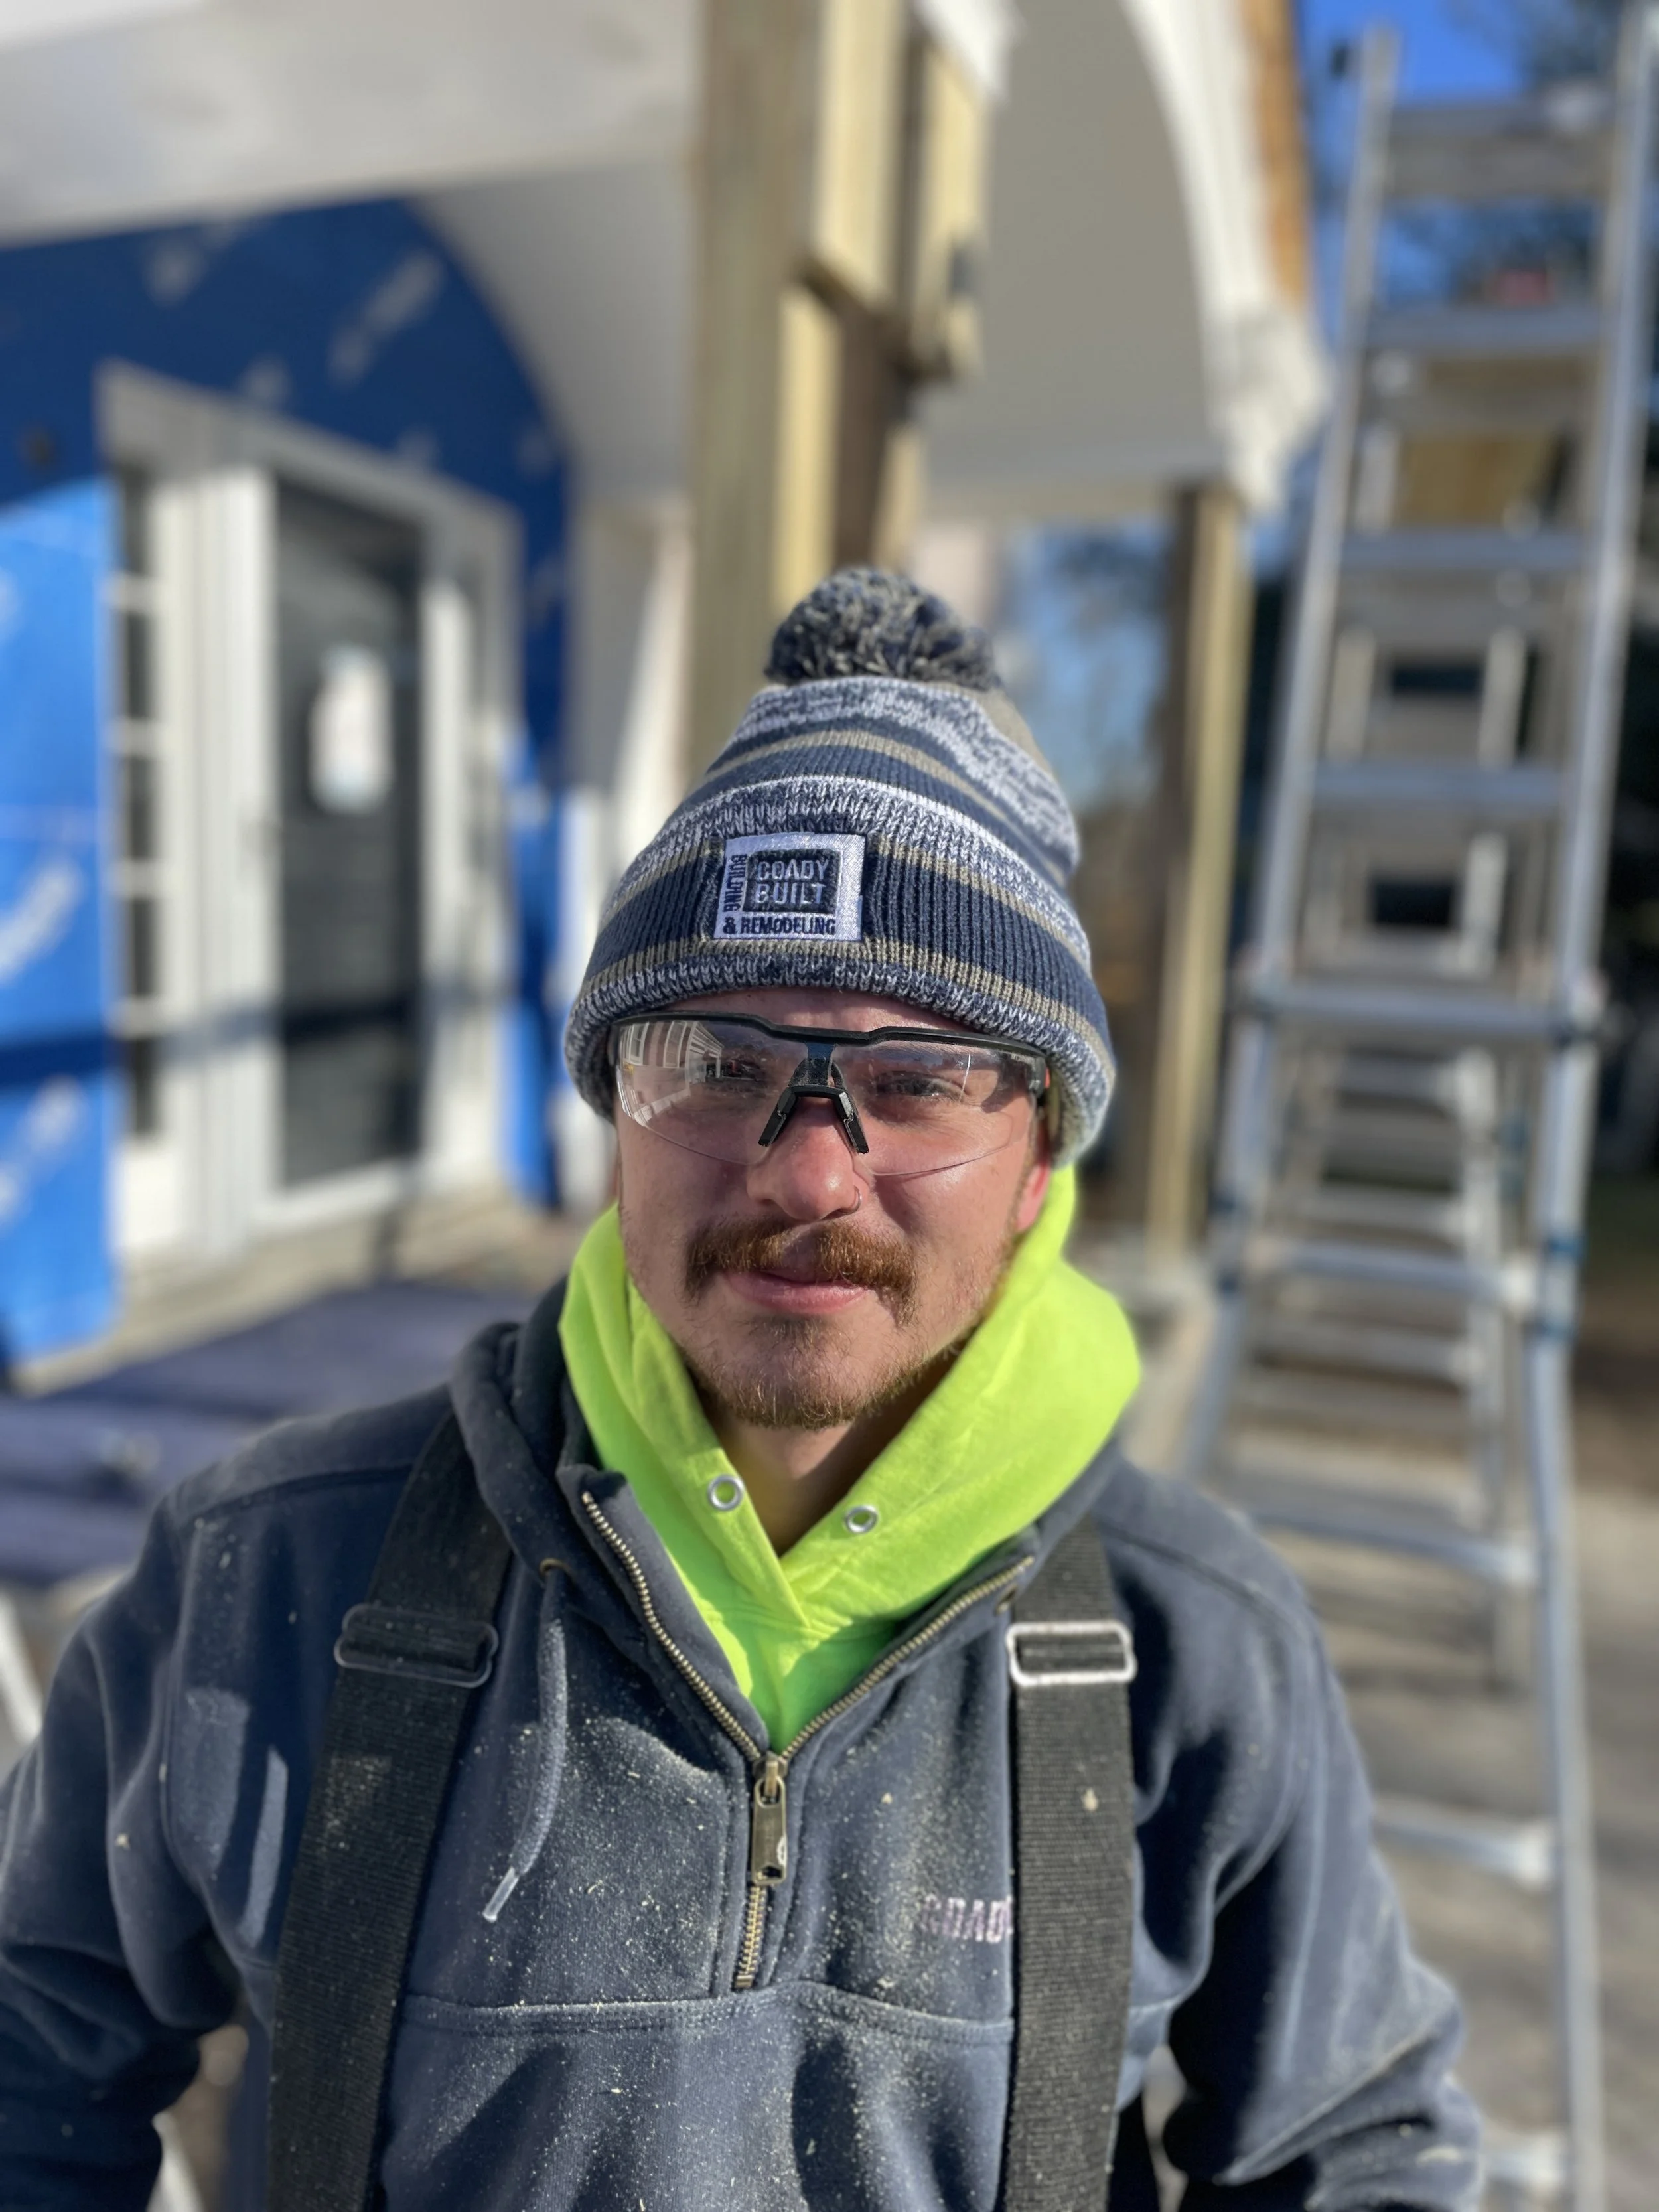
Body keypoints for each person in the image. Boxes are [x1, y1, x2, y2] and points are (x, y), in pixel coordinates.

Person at [0, 569, 1479, 2209]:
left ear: (1040, 1149)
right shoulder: (271, 1579)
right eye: (715, 1065)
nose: (813, 1171)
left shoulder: (1196, 1652)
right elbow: (27, 2055)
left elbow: (1354, 2153)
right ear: (613, 1111)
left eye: (915, 1080)